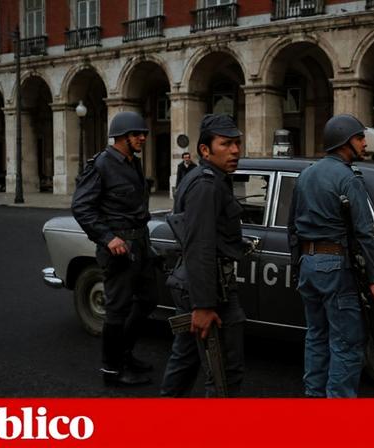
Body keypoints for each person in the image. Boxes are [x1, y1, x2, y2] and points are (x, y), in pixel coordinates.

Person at [288, 114, 374, 398]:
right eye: (360, 138)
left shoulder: (306, 174)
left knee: (316, 336)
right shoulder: (348, 178)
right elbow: (364, 233)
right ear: (344, 142)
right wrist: (372, 278)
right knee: (347, 344)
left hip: (308, 265)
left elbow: (293, 227)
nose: (365, 143)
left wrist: (297, 264)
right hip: (336, 266)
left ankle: (314, 397)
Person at [161, 114, 247, 397]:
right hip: (211, 292)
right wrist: (205, 305)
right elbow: (200, 245)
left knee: (185, 362)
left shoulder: (206, 178)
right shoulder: (207, 185)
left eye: (237, 143)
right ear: (205, 150)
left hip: (194, 285)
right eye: (226, 144)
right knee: (223, 375)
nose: (235, 150)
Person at [72, 111, 156, 387]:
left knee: (148, 300)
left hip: (139, 242)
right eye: (136, 134)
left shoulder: (133, 162)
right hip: (118, 247)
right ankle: (112, 370)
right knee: (117, 309)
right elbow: (81, 207)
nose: (142, 138)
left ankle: (125, 354)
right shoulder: (101, 165)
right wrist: (108, 238)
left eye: (143, 133)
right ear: (121, 137)